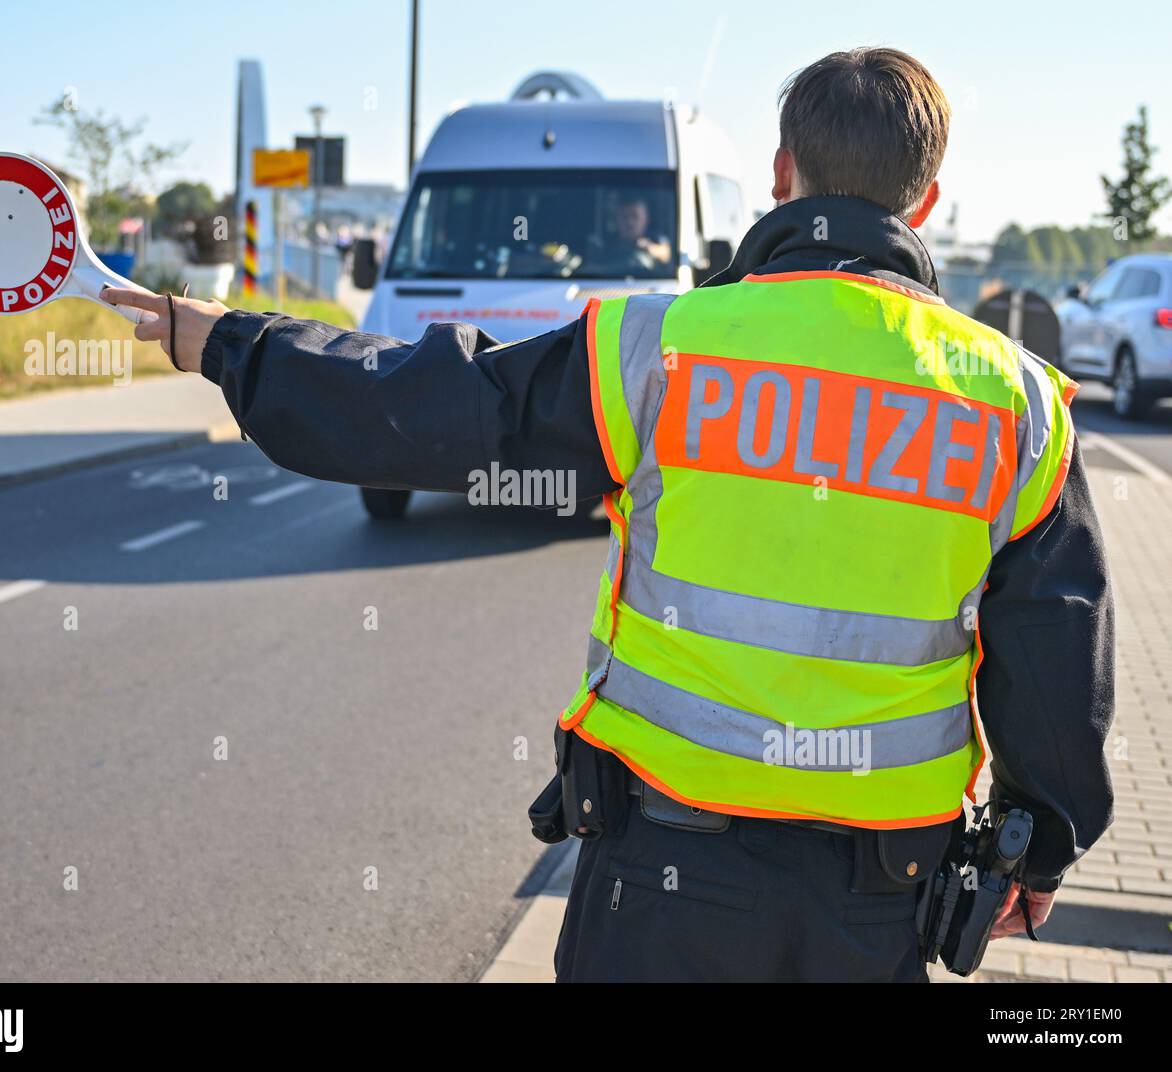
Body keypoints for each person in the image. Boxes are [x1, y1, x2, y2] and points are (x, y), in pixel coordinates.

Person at [104, 46, 1115, 983]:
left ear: (780, 170)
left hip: (660, 882)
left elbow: (432, 407)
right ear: (927, 199)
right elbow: (1056, 657)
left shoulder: (657, 346)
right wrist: (1046, 839)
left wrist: (233, 345)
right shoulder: (1014, 405)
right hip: (877, 902)